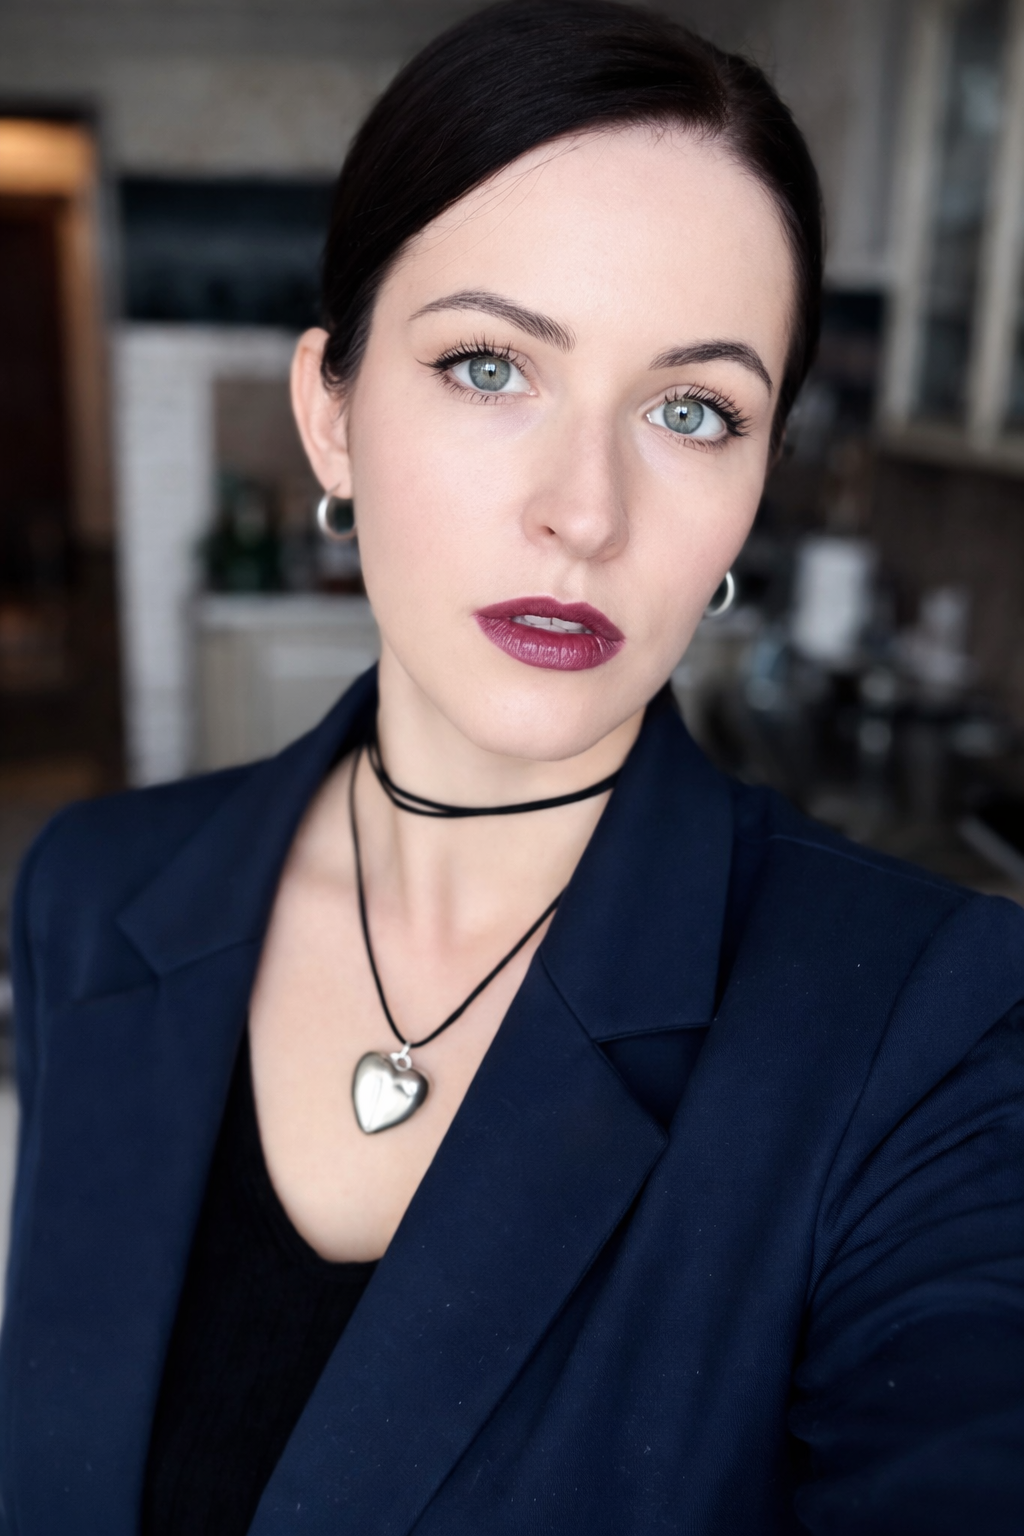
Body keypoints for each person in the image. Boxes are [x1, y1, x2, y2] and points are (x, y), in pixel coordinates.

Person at [2, 2, 1023, 1532]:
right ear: (330, 413)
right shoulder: (89, 897)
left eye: (694, 410)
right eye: (490, 366)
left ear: (757, 483)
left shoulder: (931, 1026)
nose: (586, 511)